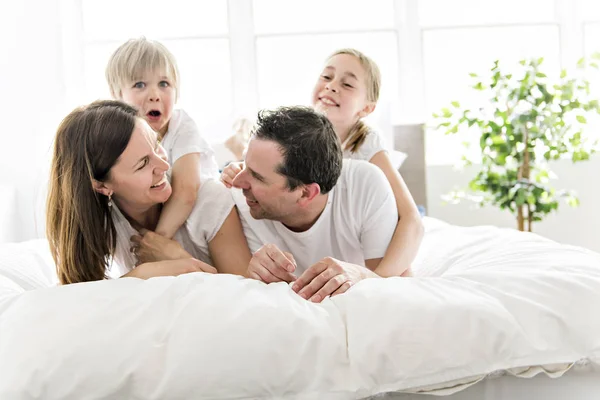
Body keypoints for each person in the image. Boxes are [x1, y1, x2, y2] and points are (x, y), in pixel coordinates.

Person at [222, 49, 423, 276]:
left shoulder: (366, 147)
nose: (332, 86)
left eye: (347, 85)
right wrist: (242, 168)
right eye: (326, 77)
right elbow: (269, 162)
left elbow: (411, 218)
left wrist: (379, 277)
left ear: (366, 108)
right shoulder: (297, 135)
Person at [46, 100, 250, 285]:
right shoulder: (99, 219)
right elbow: (76, 292)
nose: (163, 165)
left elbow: (244, 295)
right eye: (143, 163)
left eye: (157, 144)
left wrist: (179, 260)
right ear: (101, 186)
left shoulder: (208, 199)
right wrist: (143, 273)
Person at [105, 37, 220, 240]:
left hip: (206, 215)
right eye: (139, 84)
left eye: (164, 83)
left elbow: (186, 190)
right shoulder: (118, 136)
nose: (154, 95)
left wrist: (157, 241)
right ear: (117, 94)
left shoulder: (181, 125)